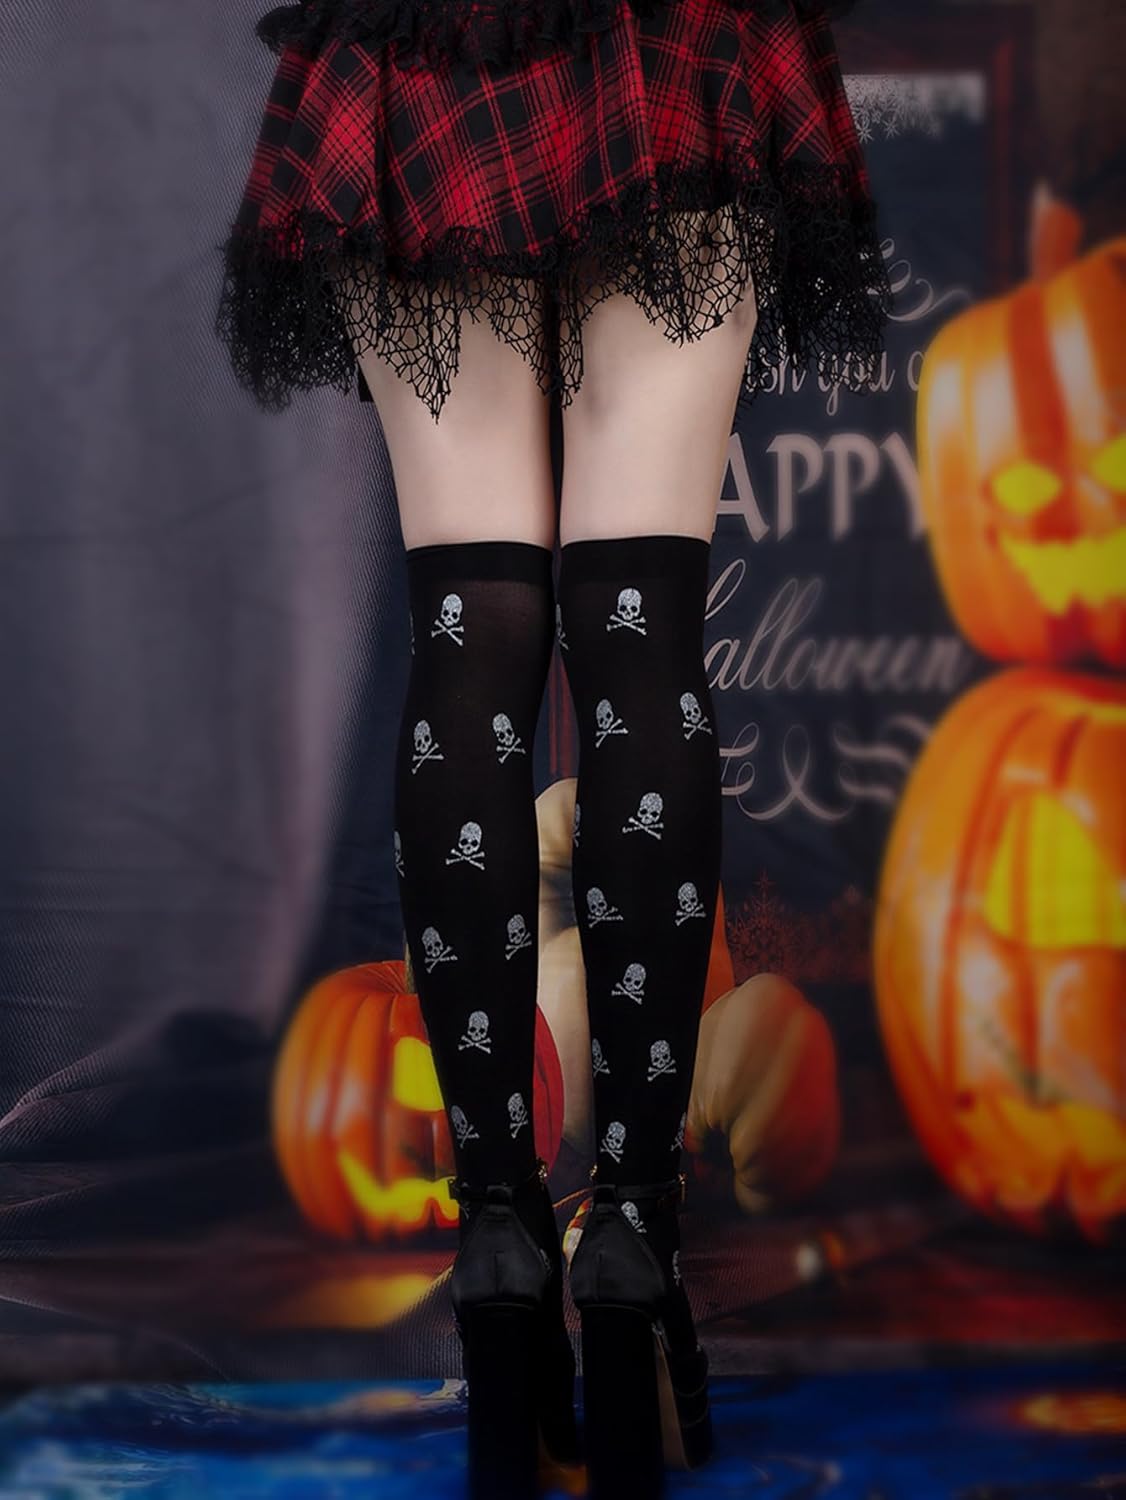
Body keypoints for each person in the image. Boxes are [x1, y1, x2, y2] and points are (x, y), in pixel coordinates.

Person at [215, 1, 890, 1494]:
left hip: (432, 37)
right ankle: (632, 1234)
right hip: (672, 36)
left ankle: (498, 1239)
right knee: (638, 637)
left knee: (469, 636)